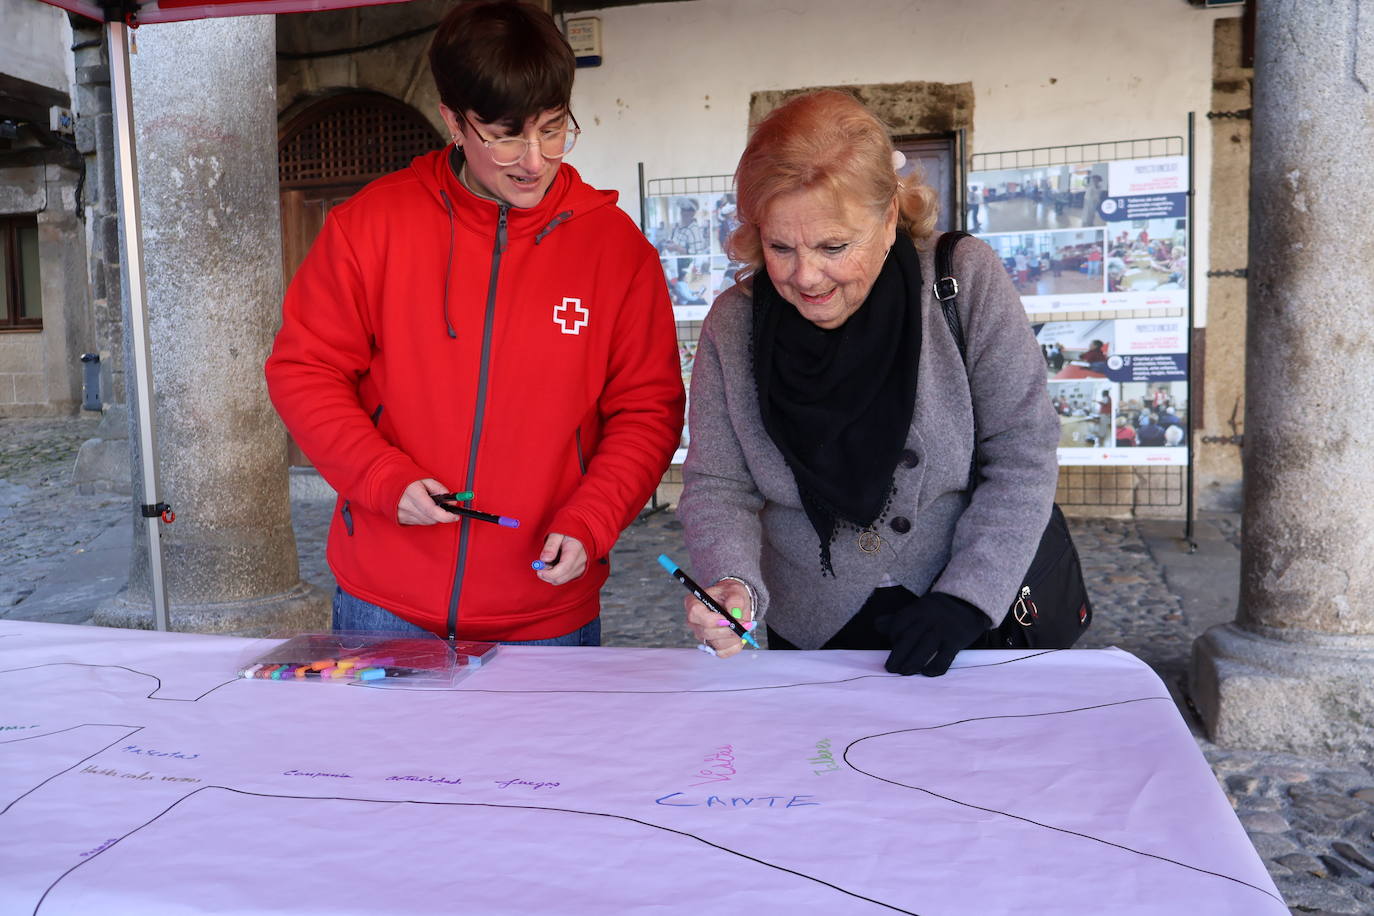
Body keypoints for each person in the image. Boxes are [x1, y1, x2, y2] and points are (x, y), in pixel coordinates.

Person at [264, 0, 685, 645]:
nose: (535, 159)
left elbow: (648, 409)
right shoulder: (369, 228)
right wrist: (381, 477)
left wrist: (595, 517)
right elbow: (304, 371)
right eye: (506, 134)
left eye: (552, 128)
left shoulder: (617, 252)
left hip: (547, 611)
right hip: (385, 604)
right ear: (453, 122)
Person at [676, 90, 1059, 677]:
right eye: (780, 246)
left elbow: (1022, 452)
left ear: (886, 220)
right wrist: (733, 582)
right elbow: (719, 483)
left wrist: (968, 596)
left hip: (957, 612)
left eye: (833, 246)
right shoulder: (734, 324)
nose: (805, 276)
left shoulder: (963, 280)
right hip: (808, 624)